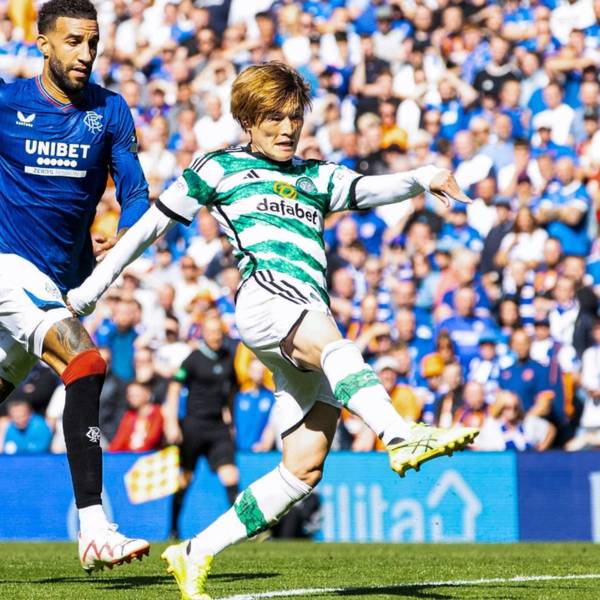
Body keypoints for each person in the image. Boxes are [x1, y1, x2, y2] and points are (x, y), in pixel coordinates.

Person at [66, 62, 478, 597]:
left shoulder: (317, 177)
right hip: (266, 301)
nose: (287, 129)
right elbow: (152, 226)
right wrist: (94, 286)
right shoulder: (219, 168)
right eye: (274, 119)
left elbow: (371, 188)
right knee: (333, 342)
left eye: (293, 118)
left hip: (305, 314)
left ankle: (194, 552)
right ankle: (399, 435)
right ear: (248, 121)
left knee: (303, 469)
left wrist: (425, 176)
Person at [0, 0, 149, 571]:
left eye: (93, 42)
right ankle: (95, 528)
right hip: (9, 268)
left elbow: (135, 192)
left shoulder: (109, 110)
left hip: (62, 282)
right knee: (84, 363)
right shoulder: (8, 103)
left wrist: (127, 229)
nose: (86, 53)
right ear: (42, 43)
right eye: (73, 41)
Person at [163, 316, 239, 540]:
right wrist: (171, 422)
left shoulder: (228, 358)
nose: (215, 336)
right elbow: (174, 388)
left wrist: (230, 419)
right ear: (203, 334)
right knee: (185, 478)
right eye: (211, 332)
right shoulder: (193, 359)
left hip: (218, 427)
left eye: (218, 332)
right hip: (194, 426)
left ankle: (243, 529)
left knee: (230, 475)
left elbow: (231, 391)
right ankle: (173, 528)